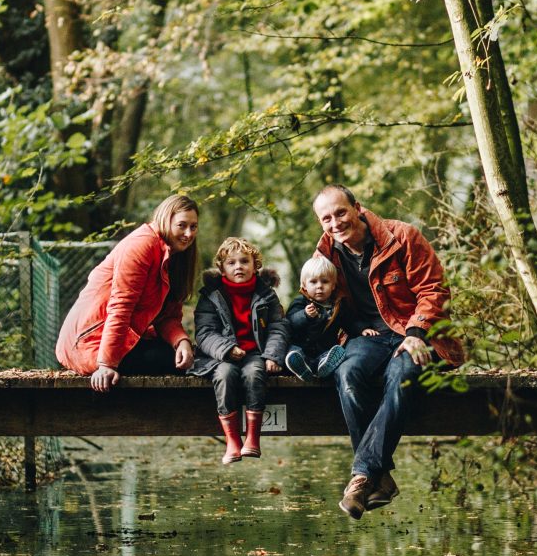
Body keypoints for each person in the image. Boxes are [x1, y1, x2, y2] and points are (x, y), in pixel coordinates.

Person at [310, 185, 466, 518]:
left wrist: (416, 333)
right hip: (368, 338)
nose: (336, 223)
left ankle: (364, 475)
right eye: (327, 218)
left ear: (357, 207)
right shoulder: (325, 254)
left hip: (416, 334)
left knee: (403, 372)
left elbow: (434, 290)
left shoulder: (403, 237)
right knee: (347, 372)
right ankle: (378, 476)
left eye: (341, 212)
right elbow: (317, 299)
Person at [55, 194, 199, 391]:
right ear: (166, 220)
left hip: (125, 340)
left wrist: (181, 341)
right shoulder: (142, 244)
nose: (188, 233)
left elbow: (168, 316)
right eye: (182, 225)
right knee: (182, 363)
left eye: (193, 227)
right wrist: (106, 364)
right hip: (91, 343)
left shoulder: (177, 256)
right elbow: (120, 306)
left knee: (189, 358)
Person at [189, 236, 290, 462]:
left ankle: (253, 438)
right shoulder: (211, 296)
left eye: (244, 261)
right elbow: (205, 332)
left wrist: (272, 356)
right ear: (222, 269)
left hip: (255, 353)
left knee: (254, 373)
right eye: (231, 263)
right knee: (225, 376)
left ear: (255, 266)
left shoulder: (266, 294)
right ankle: (232, 440)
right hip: (221, 357)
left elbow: (278, 327)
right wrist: (227, 349)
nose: (239, 267)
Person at [282, 254, 351, 384]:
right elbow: (290, 322)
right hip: (302, 347)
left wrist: (362, 328)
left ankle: (323, 366)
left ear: (333, 285)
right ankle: (301, 367)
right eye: (313, 282)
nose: (319, 286)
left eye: (325, 282)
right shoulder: (300, 302)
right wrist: (305, 315)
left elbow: (349, 322)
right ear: (304, 285)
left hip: (323, 349)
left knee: (330, 353)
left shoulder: (337, 305)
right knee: (293, 352)